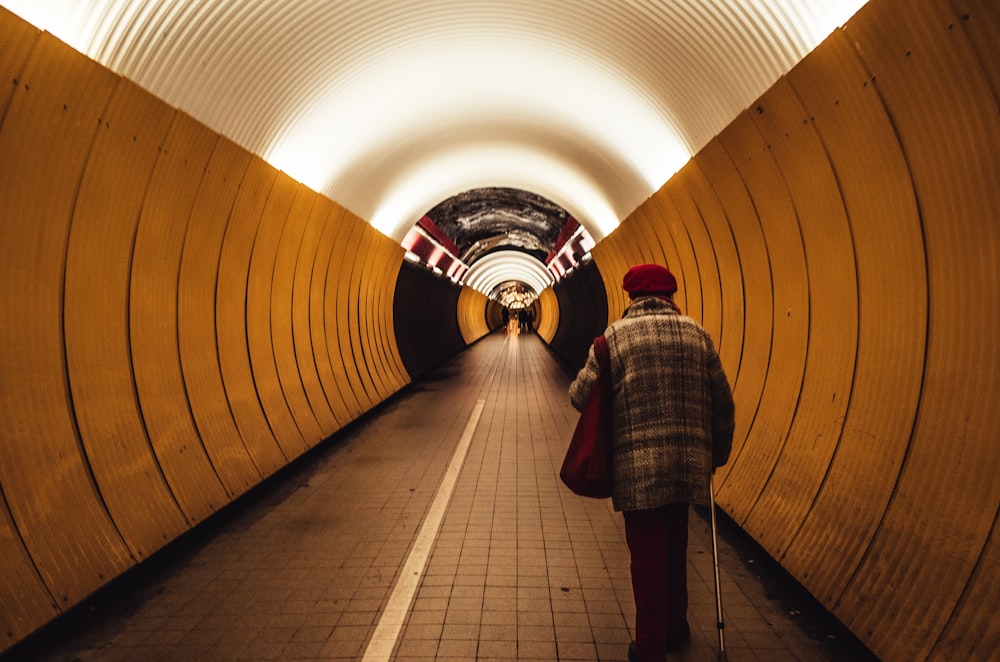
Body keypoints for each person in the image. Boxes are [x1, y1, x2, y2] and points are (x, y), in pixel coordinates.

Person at [569, 264, 734, 662]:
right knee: (676, 545)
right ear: (670, 296)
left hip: (637, 468)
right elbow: (722, 402)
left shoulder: (613, 339)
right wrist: (718, 453)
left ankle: (650, 647)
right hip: (689, 462)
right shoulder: (698, 335)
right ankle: (676, 626)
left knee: (646, 557)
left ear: (630, 296)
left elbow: (580, 395)